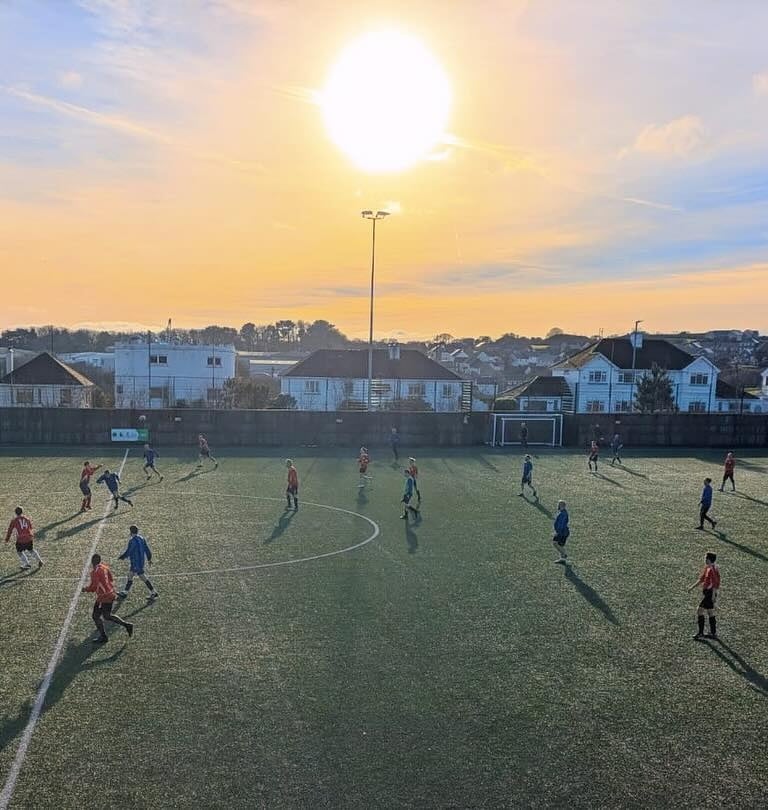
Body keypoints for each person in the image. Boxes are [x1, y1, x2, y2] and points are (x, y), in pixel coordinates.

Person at [82, 553, 133, 643]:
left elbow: (94, 587)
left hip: (103, 597)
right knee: (107, 616)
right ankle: (127, 625)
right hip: (111, 593)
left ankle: (103, 636)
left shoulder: (94, 572)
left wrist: (85, 589)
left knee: (95, 616)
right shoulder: (104, 567)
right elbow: (111, 578)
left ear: (92, 562)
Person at [117, 525, 158, 601]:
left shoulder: (132, 541)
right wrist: (149, 558)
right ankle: (125, 592)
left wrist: (122, 556)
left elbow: (129, 551)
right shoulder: (142, 538)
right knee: (131, 575)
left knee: (141, 577)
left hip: (136, 563)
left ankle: (153, 592)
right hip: (140, 562)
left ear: (131, 532)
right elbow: (147, 549)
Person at [688, 552, 720, 640]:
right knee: (710, 612)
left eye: (705, 558)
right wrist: (692, 587)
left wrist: (713, 596)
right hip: (708, 593)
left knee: (699, 611)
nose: (704, 559)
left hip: (709, 594)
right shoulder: (707, 567)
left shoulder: (712, 569)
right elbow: (702, 579)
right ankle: (713, 633)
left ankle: (701, 633)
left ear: (709, 559)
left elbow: (715, 584)